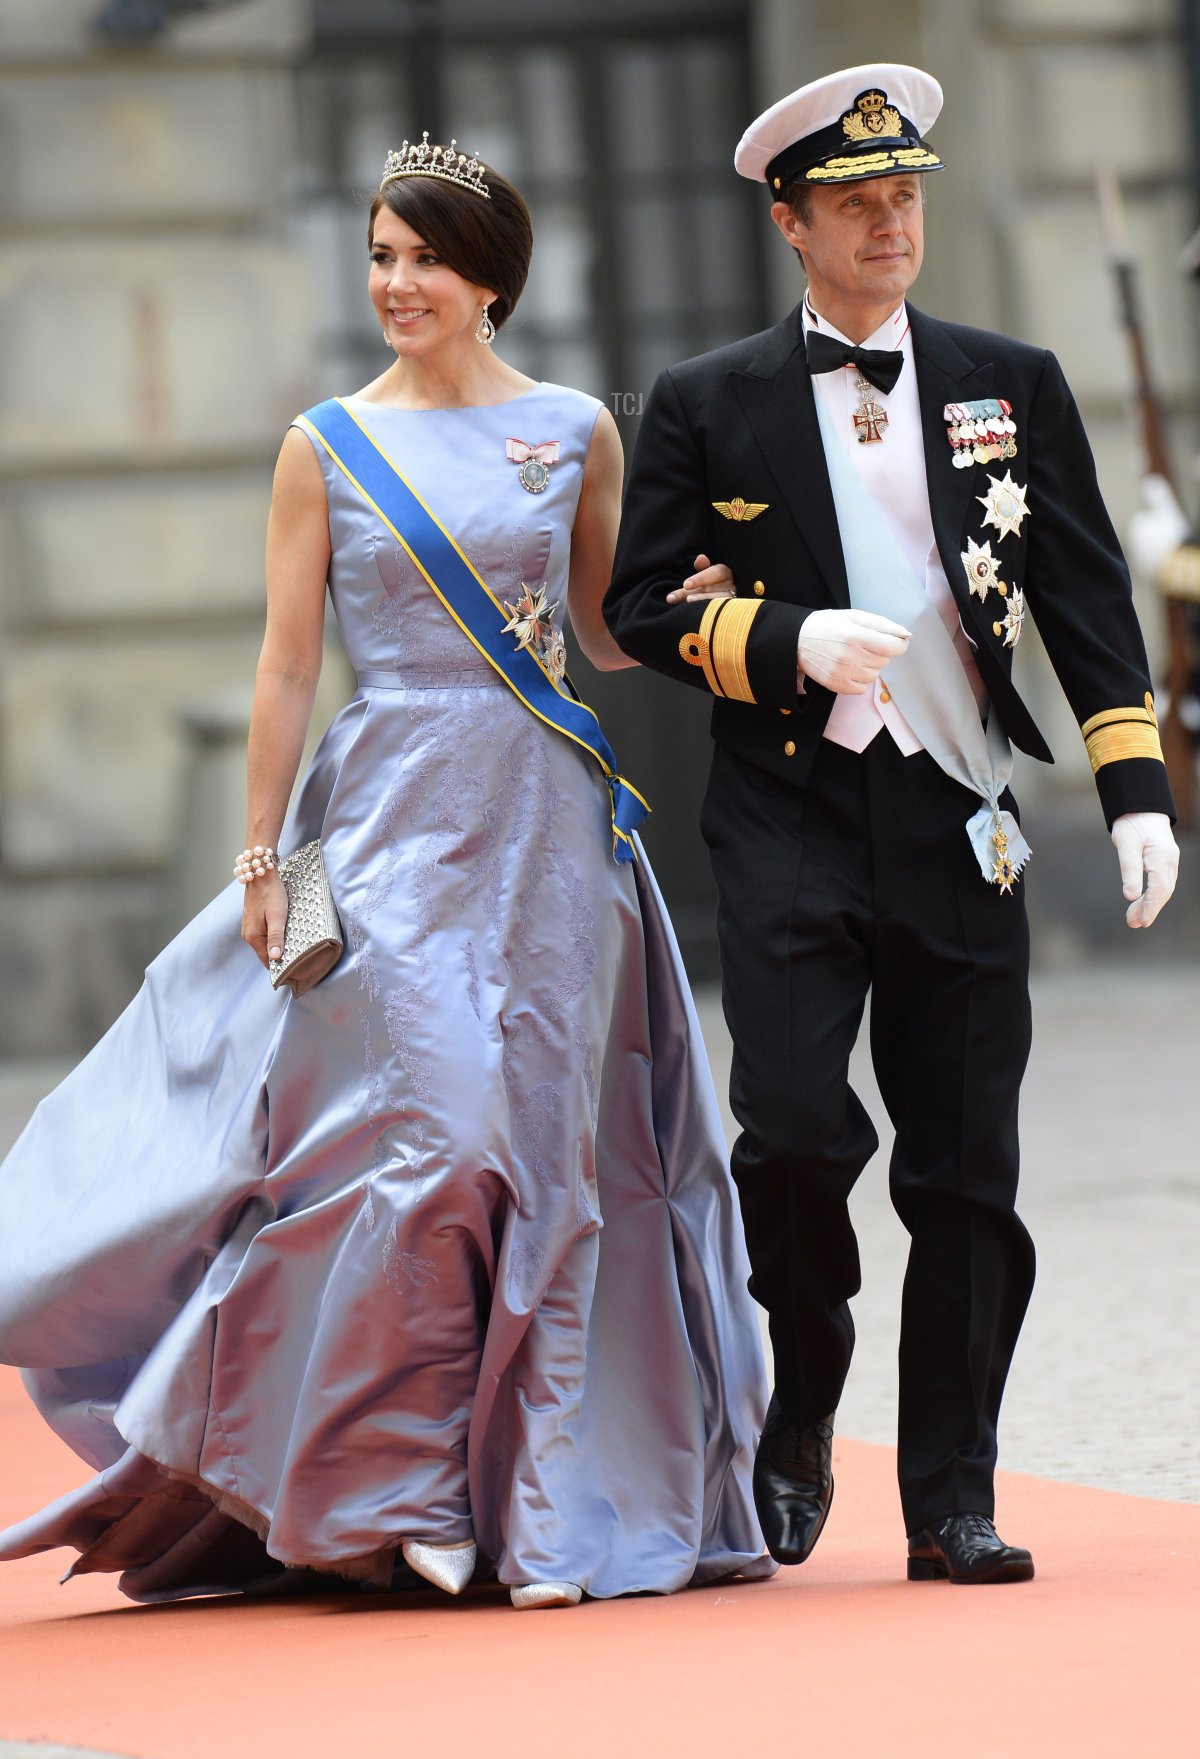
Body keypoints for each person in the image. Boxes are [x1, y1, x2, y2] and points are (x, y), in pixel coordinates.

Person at [0, 138, 773, 1609]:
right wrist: (260, 851)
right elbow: (288, 664)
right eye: (381, 256)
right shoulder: (326, 443)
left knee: (552, 1163)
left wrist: (714, 604)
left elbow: (604, 635)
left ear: (490, 280)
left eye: (426, 259)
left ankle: (540, 1503)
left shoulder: (572, 430)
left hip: (547, 826)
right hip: (389, 826)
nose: (397, 284)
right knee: (444, 1143)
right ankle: (413, 1486)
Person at [604, 65, 1180, 1585]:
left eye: (905, 195)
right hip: (788, 810)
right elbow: (639, 606)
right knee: (793, 1133)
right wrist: (788, 636)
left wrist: (1135, 794)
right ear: (791, 224)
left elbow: (1085, 597)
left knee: (966, 1169)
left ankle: (953, 1495)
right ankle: (803, 1397)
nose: (889, 224)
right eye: (855, 202)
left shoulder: (1011, 379)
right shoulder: (706, 398)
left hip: (960, 809)